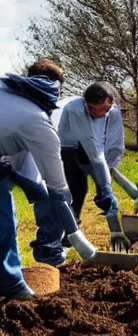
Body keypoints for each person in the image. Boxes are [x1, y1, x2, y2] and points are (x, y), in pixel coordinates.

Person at [0, 59, 97, 299]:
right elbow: (58, 189)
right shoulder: (38, 122)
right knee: (4, 221)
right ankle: (11, 285)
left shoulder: (6, 90)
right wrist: (73, 232)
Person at [57, 82, 138, 249]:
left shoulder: (112, 111)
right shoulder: (75, 110)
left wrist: (109, 167)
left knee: (105, 191)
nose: (99, 114)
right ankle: (70, 233)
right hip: (70, 148)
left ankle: (116, 232)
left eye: (104, 110)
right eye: (93, 109)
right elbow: (91, 147)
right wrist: (105, 186)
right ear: (86, 104)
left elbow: (114, 141)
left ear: (110, 103)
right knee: (78, 190)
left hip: (96, 148)